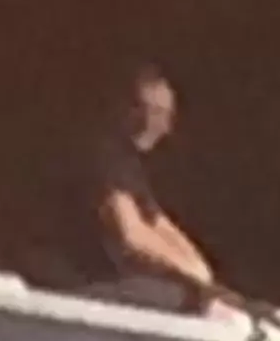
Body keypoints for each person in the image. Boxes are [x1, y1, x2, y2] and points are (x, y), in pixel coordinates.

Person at [50, 62, 223, 311]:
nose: (159, 125)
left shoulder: (129, 164)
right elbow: (132, 235)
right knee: (183, 298)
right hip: (76, 286)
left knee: (193, 294)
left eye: (165, 115)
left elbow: (159, 224)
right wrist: (190, 275)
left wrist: (203, 274)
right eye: (153, 112)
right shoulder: (104, 156)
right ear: (128, 110)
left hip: (103, 282)